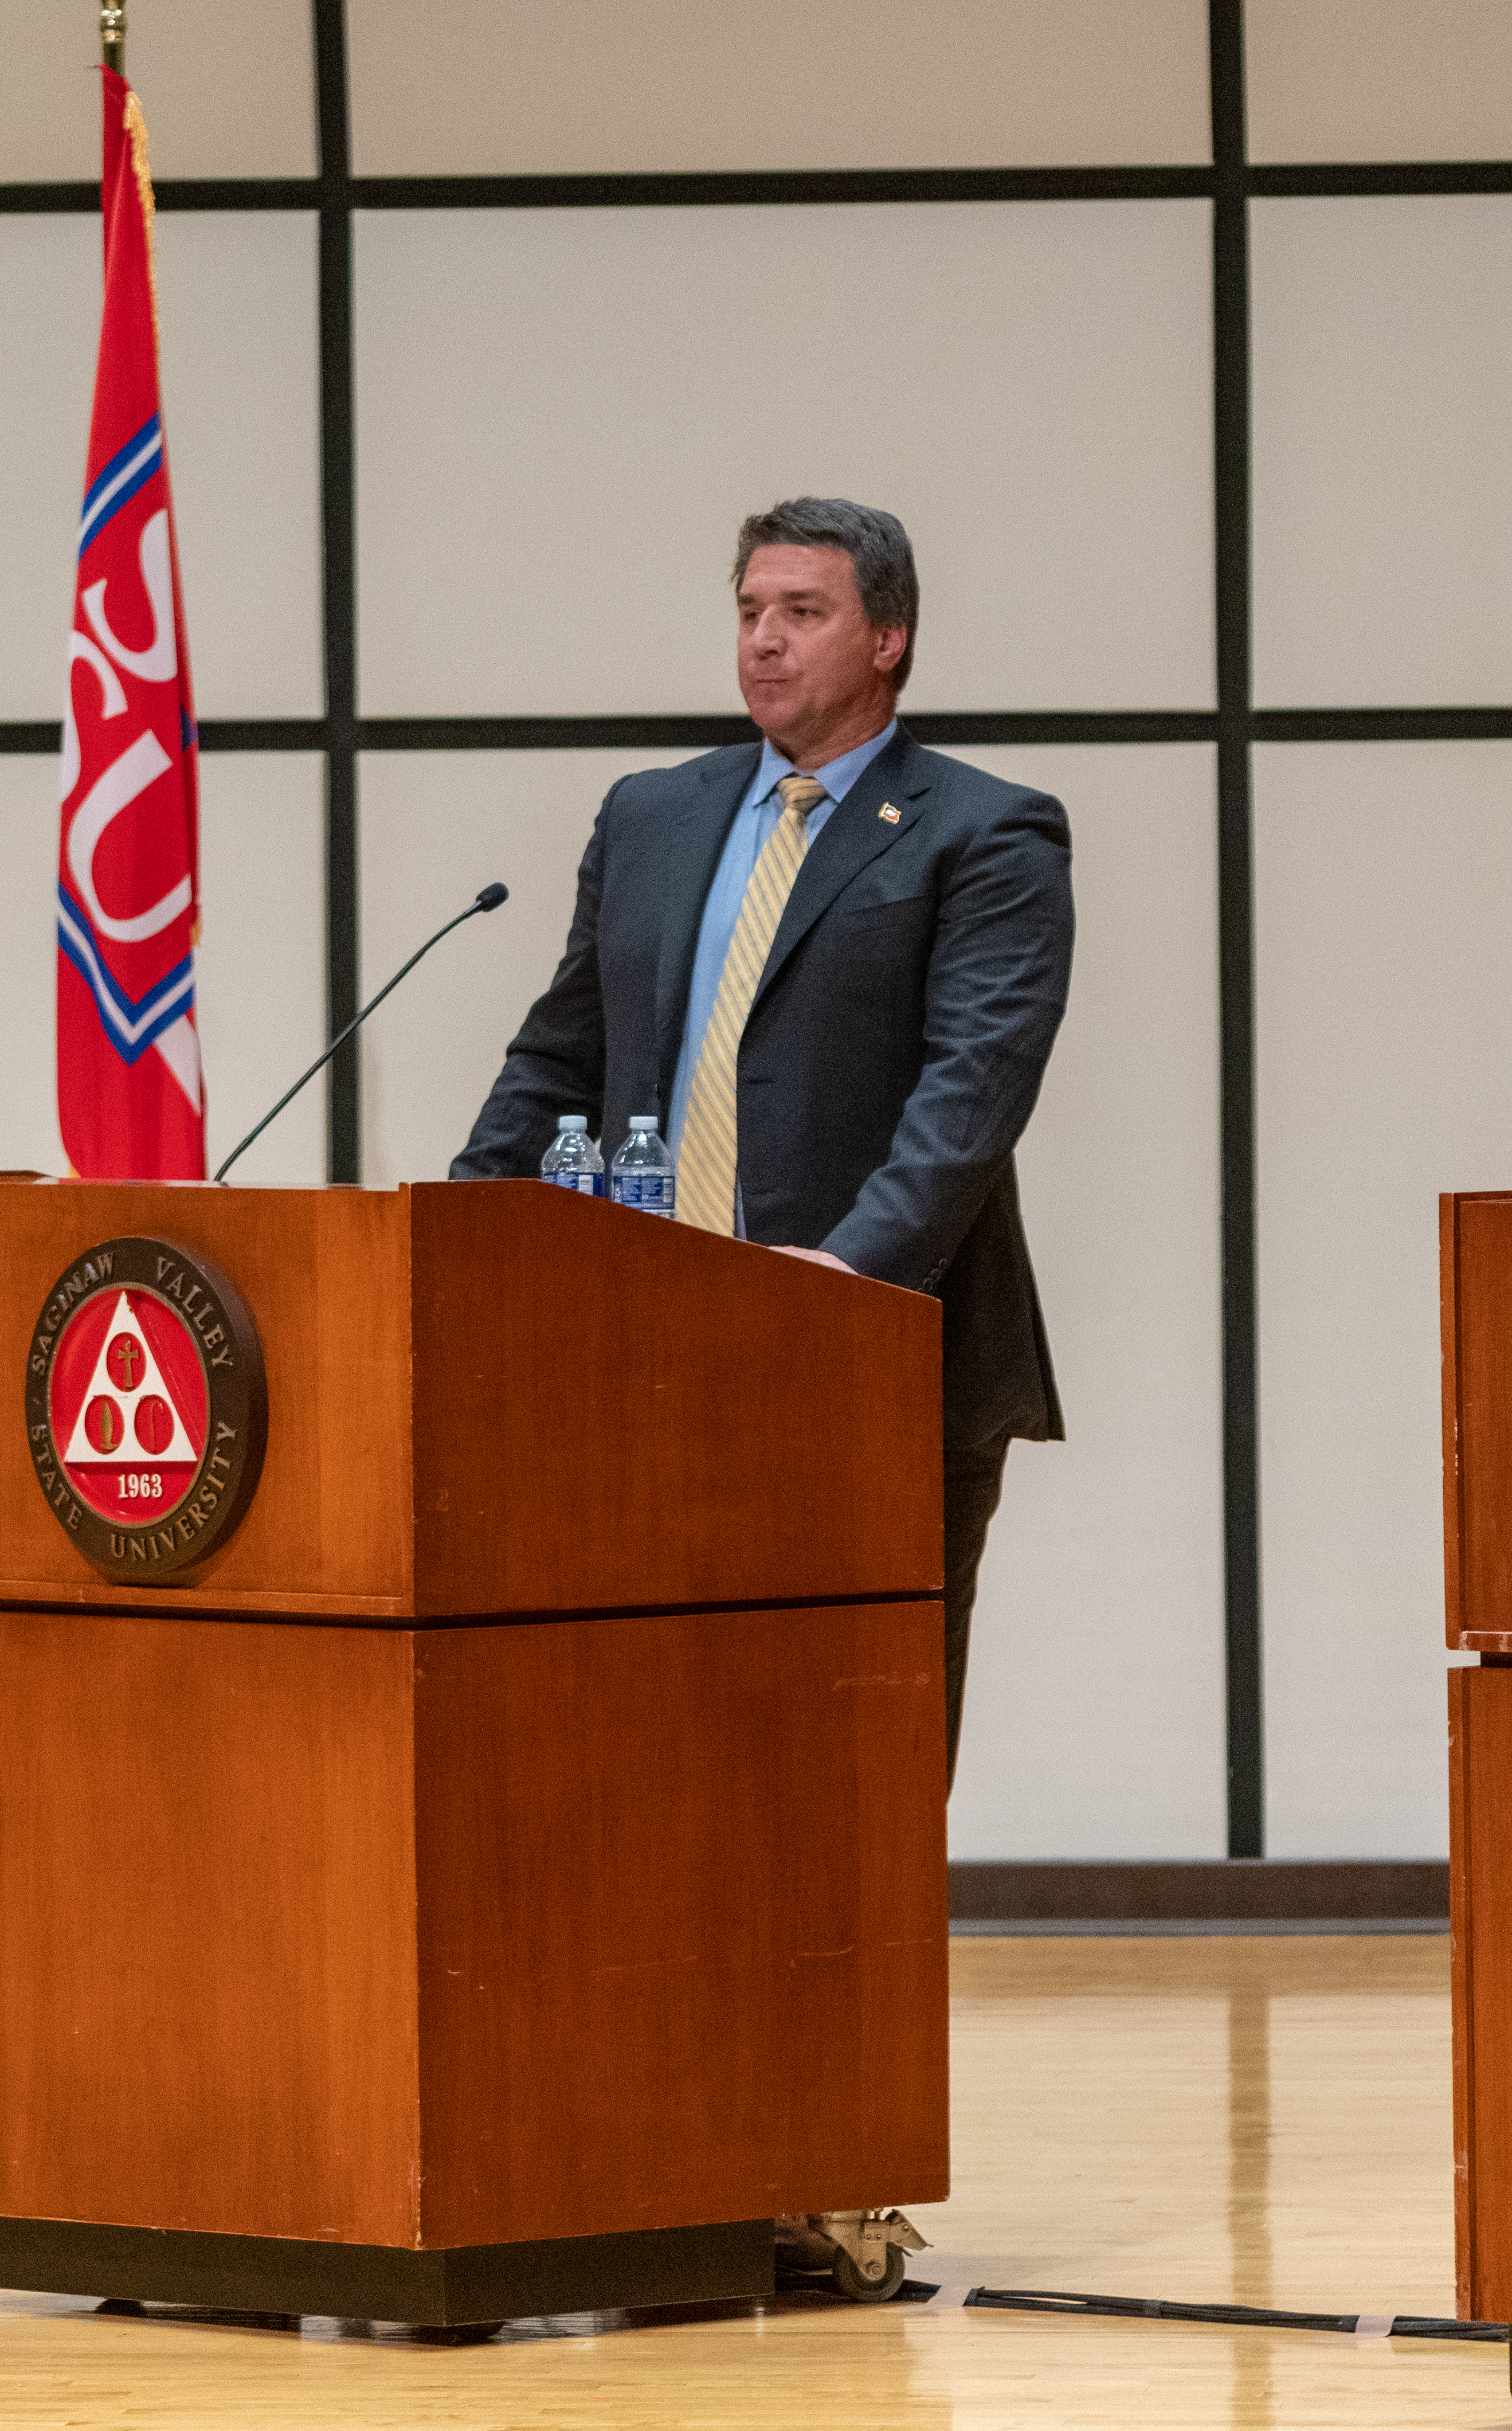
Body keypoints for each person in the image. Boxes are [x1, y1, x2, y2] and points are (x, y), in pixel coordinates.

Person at [456, 495, 1074, 1778]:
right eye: (749, 613)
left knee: (849, 1744)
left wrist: (850, 1281)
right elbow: (564, 1054)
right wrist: (460, 1230)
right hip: (645, 1351)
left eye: (803, 613)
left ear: (888, 638)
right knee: (646, 1721)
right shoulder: (649, 815)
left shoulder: (985, 832)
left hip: (874, 1355)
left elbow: (972, 1089)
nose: (764, 643)